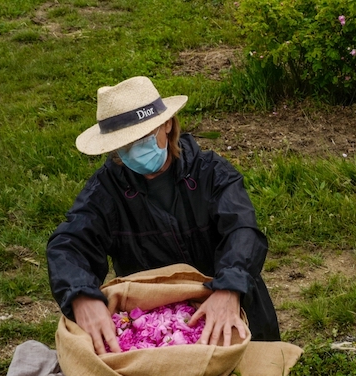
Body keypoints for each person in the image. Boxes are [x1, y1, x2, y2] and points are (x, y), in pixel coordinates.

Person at [47, 76, 280, 354]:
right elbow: (69, 244)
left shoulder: (211, 173)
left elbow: (242, 231)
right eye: (125, 145)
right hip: (154, 321)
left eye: (143, 138)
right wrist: (81, 296)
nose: (136, 151)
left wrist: (230, 287)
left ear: (167, 124)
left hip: (225, 298)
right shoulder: (106, 191)